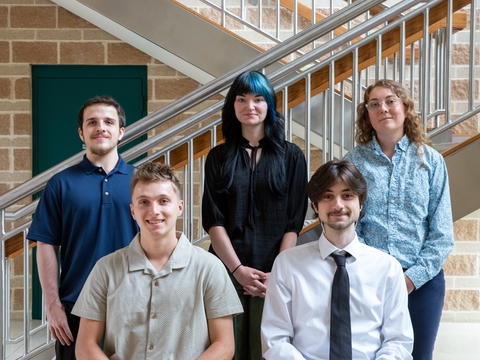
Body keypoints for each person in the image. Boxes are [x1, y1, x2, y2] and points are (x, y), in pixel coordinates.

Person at [72, 161, 243, 359]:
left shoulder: (210, 268)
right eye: (144, 202)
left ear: (179, 207)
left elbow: (224, 345)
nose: (154, 211)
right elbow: (85, 346)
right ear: (133, 210)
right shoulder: (106, 269)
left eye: (163, 201)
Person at [343, 79, 454, 360]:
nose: (383, 108)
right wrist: (376, 271)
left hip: (422, 283)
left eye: (391, 101)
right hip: (369, 281)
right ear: (367, 114)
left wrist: (409, 280)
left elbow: (442, 234)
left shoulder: (430, 161)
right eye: (374, 104)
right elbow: (349, 223)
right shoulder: (353, 162)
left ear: (405, 108)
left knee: (418, 356)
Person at [202, 70, 308, 359]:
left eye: (258, 99)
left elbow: (293, 222)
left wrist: (278, 272)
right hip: (225, 270)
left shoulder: (292, 156)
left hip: (273, 273)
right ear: (232, 106)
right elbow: (213, 220)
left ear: (270, 106)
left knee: (268, 350)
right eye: (242, 99)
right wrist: (237, 271)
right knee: (227, 350)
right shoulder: (218, 157)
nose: (250, 106)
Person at [261, 160, 414, 359]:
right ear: (315, 206)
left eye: (347, 195)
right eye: (327, 196)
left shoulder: (387, 268)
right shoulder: (287, 264)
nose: (338, 205)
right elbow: (275, 339)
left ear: (361, 204)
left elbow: (398, 341)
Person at [27, 96, 139, 360]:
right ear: (82, 132)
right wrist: (53, 305)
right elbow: (45, 245)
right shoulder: (60, 184)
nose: (101, 127)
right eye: (92, 122)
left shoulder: (141, 181)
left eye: (109, 122)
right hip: (77, 307)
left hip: (134, 304)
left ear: (121, 132)